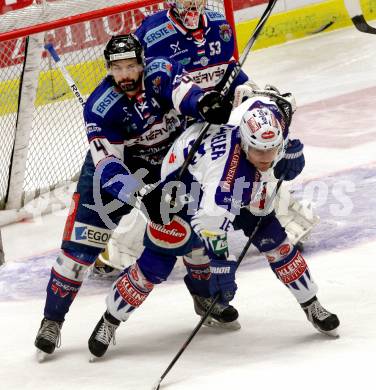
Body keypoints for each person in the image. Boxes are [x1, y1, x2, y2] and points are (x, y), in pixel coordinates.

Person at [87, 94, 340, 359]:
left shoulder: (266, 123)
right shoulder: (223, 182)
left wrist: (291, 149)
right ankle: (110, 319)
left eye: (272, 149)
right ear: (244, 143)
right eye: (258, 151)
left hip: (240, 186)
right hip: (182, 194)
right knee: (154, 265)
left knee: (276, 243)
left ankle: (311, 304)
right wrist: (222, 268)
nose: (266, 157)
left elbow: (278, 104)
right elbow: (211, 229)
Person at [33, 33, 233, 358]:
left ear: (142, 64)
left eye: (130, 66)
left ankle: (204, 299)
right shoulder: (100, 107)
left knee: (191, 235)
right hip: (110, 178)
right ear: (109, 68)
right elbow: (109, 166)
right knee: (77, 253)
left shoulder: (161, 72)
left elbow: (185, 95)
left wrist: (204, 103)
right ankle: (51, 321)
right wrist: (142, 196)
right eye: (117, 68)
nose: (125, 75)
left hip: (166, 167)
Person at [94, 0, 317, 289]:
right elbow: (143, 84)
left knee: (258, 154)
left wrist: (248, 93)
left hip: (219, 121)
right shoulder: (151, 31)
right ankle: (119, 250)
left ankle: (291, 221)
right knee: (168, 192)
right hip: (175, 128)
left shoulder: (219, 26)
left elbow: (232, 74)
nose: (192, 4)